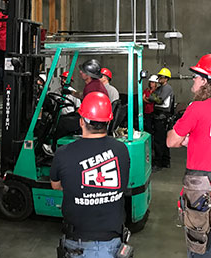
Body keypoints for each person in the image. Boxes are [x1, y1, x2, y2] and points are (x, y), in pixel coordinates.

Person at [166, 54, 211, 258]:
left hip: (201, 195)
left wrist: (181, 136)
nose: (193, 80)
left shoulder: (196, 108)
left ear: (206, 81)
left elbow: (171, 141)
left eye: (197, 77)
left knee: (199, 248)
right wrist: (191, 139)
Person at [50, 92, 130, 258]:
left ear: (81, 121)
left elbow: (56, 185)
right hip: (112, 241)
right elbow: (121, 185)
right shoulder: (121, 150)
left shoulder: (63, 153)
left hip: (77, 243)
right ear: (108, 121)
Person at [147, 67, 174, 170]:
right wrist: (153, 97)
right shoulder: (160, 88)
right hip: (159, 116)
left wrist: (153, 98)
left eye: (160, 77)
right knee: (162, 140)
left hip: (162, 117)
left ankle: (159, 163)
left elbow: (159, 100)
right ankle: (165, 162)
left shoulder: (167, 88)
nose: (158, 78)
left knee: (159, 141)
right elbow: (151, 96)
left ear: (166, 79)